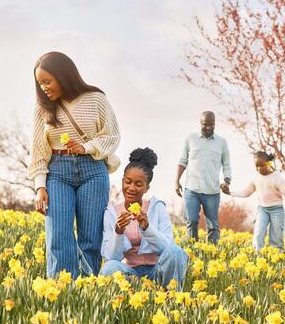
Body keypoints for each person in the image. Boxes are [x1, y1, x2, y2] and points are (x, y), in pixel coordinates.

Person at [28, 51, 120, 278]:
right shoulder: (43, 109)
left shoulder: (96, 99)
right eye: (40, 84)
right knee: (58, 235)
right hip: (57, 172)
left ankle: (86, 293)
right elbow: (38, 151)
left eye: (47, 81)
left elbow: (112, 136)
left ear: (63, 75)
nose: (44, 88)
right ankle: (61, 293)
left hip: (93, 170)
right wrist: (40, 187)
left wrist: (86, 147)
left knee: (91, 237)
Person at [100, 147, 189, 290]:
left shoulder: (157, 207)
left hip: (158, 271)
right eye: (127, 182)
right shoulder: (111, 212)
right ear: (122, 181)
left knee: (176, 251)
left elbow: (167, 248)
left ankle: (170, 297)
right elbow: (111, 257)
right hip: (131, 274)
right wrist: (118, 231)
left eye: (138, 184)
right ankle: (125, 299)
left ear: (147, 187)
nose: (131, 188)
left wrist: (147, 227)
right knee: (109, 267)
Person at [176, 111, 231, 244]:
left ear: (214, 124)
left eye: (211, 124)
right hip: (192, 189)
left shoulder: (222, 142)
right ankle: (192, 250)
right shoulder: (191, 139)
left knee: (213, 226)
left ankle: (212, 254)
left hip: (212, 191)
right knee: (192, 221)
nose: (208, 127)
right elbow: (183, 161)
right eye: (205, 124)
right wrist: (176, 181)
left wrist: (227, 181)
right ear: (200, 123)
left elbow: (226, 164)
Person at [221, 151, 285, 251]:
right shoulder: (256, 177)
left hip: (277, 210)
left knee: (276, 238)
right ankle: (258, 257)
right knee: (258, 233)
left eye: (261, 165)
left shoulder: (277, 177)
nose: (259, 169)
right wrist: (230, 193)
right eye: (257, 166)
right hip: (262, 209)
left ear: (268, 163)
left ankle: (277, 258)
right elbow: (246, 192)